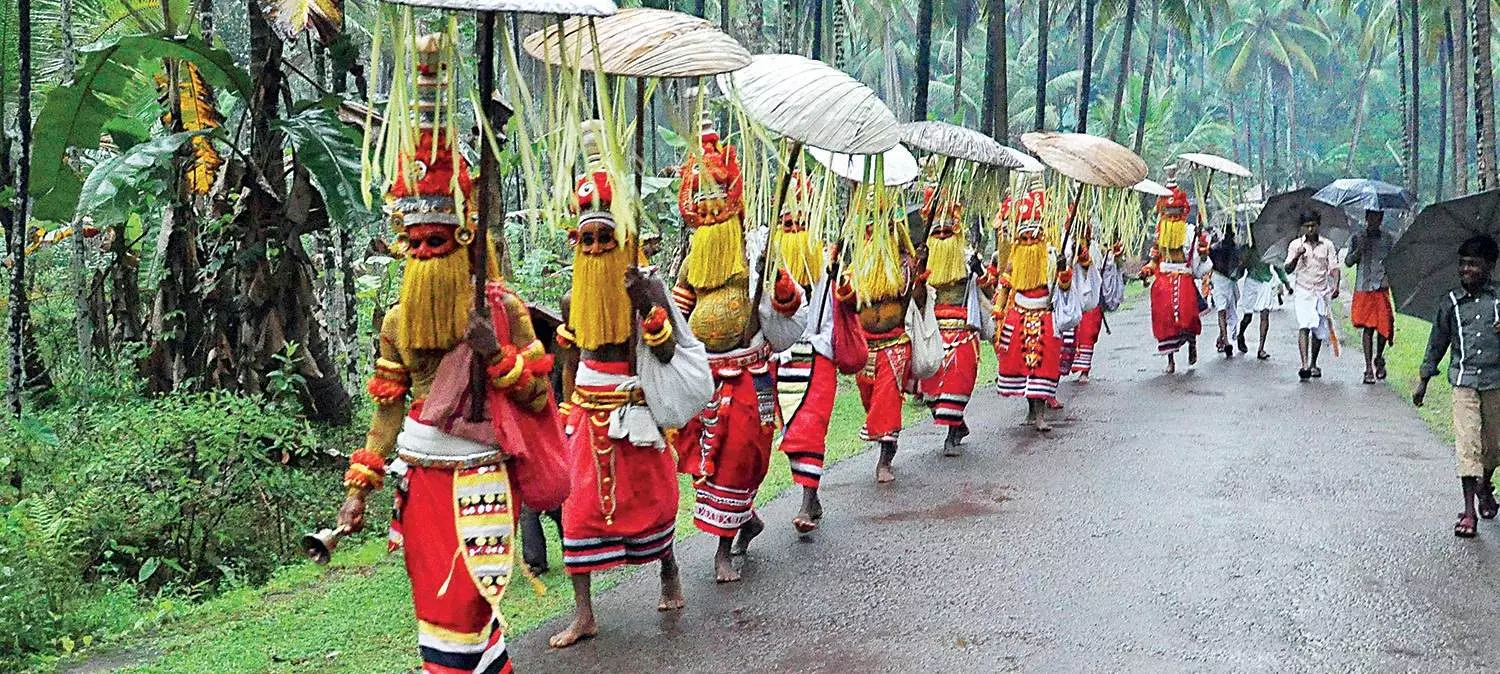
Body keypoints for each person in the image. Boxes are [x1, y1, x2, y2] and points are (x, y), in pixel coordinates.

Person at [335, 34, 563, 673]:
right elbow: (388, 413)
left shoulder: (502, 308)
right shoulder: (395, 322)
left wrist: (495, 356)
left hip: (482, 477)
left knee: (469, 607)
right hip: (420, 485)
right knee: (437, 609)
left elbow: (539, 396)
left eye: (441, 242)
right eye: (418, 246)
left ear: (465, 238)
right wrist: (360, 486)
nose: (428, 255)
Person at [551, 120, 701, 647]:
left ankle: (669, 571)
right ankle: (585, 613)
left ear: (620, 240)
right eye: (586, 239)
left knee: (652, 501)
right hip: (586, 414)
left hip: (636, 411)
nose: (594, 248)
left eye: (604, 238)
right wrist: (566, 412)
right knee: (577, 510)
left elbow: (665, 352)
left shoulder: (644, 287)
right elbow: (570, 361)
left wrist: (647, 306)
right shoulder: (571, 301)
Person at [672, 117, 804, 581]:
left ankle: (724, 548)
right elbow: (677, 313)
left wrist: (779, 283)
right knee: (707, 463)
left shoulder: (755, 252)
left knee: (744, 455)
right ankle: (740, 524)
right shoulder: (690, 261)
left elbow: (789, 307)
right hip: (704, 377)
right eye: (701, 206)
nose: (709, 215)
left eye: (717, 205)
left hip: (750, 375)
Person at [1413, 234, 1500, 538]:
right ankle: (1468, 511)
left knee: (1493, 447)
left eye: (1474, 264)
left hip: (1495, 384)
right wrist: (1423, 379)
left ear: (1490, 266)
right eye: (1462, 264)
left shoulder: (1499, 302)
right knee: (1467, 444)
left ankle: (1484, 486)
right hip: (1463, 382)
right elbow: (1436, 343)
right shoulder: (1450, 304)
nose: (1466, 270)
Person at [840, 188, 921, 483]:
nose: (875, 230)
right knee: (869, 399)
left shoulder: (902, 263)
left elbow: (911, 298)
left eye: (883, 224)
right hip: (865, 346)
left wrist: (915, 271)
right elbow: (847, 300)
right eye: (870, 224)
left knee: (887, 399)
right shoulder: (855, 265)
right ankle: (888, 440)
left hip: (895, 342)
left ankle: (884, 460)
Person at [773, 171, 837, 533]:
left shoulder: (828, 264)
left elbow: (844, 308)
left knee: (810, 427)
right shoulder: (768, 268)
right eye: (788, 225)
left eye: (801, 224)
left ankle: (806, 501)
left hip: (819, 353)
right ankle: (811, 496)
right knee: (792, 431)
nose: (794, 232)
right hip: (781, 358)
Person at [916, 196, 986, 456]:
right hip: (931, 330)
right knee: (930, 387)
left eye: (948, 231)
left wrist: (980, 272)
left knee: (956, 381)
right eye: (938, 232)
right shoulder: (922, 258)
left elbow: (988, 284)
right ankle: (958, 426)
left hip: (961, 331)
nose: (943, 236)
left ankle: (950, 433)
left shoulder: (967, 259)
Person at [994, 177, 1064, 432]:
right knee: (1023, 366)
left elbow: (1064, 287)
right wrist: (998, 311)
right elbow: (1005, 285)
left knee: (1042, 365)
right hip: (1019, 314)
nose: (1027, 244)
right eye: (1022, 240)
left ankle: (1041, 412)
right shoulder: (1014, 260)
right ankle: (1030, 410)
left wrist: (1064, 272)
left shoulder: (1051, 258)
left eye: (1032, 239)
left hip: (1044, 313)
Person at [1141, 165, 1212, 374]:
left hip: (1184, 277)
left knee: (1189, 316)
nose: (1172, 218)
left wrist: (1203, 250)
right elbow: (1154, 258)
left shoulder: (1190, 232)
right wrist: (1147, 270)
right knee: (1164, 319)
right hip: (1163, 278)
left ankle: (1191, 343)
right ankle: (1170, 359)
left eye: (1176, 213)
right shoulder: (1159, 233)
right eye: (1168, 213)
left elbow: (1201, 261)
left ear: (1182, 212)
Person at [1284, 211, 1340, 381]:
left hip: (1321, 292)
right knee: (1304, 325)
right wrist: (1297, 255)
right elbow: (1287, 268)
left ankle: (1314, 363)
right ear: (1302, 227)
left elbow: (1334, 267)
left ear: (1318, 225)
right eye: (1307, 226)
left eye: (1313, 225)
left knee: (1318, 329)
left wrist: (1336, 285)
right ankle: (1304, 364)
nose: (1310, 228)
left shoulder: (1328, 245)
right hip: (1303, 291)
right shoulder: (1295, 245)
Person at [1346, 210, 1397, 384]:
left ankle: (1379, 357)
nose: (1375, 220)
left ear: (1381, 218)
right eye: (1372, 217)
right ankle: (1368, 368)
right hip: (1364, 287)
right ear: (1366, 218)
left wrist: (1389, 278)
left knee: (1384, 326)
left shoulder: (1389, 239)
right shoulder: (1357, 237)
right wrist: (1358, 251)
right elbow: (1348, 262)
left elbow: (1395, 261)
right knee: (1368, 328)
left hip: (1381, 287)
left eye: (1378, 217)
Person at [1236, 246, 1292, 360]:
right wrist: (1245, 260)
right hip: (1251, 280)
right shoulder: (1247, 248)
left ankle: (1261, 348)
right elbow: (1240, 268)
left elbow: (1278, 267)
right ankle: (1240, 334)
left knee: (1264, 314)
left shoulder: (1270, 250)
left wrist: (1286, 283)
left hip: (1266, 281)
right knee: (1247, 317)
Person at [1208, 227, 1244, 358]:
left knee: (1225, 310)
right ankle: (1226, 341)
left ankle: (1222, 336)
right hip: (1220, 281)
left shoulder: (1235, 250)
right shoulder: (1215, 248)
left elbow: (1239, 271)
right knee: (1222, 310)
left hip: (1227, 282)